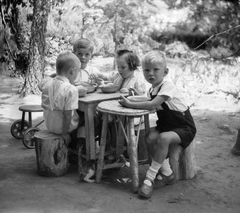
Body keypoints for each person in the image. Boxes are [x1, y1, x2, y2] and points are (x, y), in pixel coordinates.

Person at [119, 50, 197, 198]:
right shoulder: (152, 88)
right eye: (147, 70)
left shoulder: (168, 86)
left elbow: (152, 104)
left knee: (163, 138)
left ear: (165, 71)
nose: (151, 74)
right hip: (167, 125)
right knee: (149, 137)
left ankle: (150, 177)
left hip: (183, 126)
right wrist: (135, 96)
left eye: (156, 70)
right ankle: (167, 173)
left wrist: (129, 104)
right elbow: (148, 100)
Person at [38, 51, 81, 145]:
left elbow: (39, 84)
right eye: (78, 71)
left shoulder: (47, 83)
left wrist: (55, 75)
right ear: (72, 71)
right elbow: (67, 115)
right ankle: (79, 145)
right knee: (86, 118)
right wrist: (64, 134)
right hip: (62, 129)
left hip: (50, 126)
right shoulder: (71, 89)